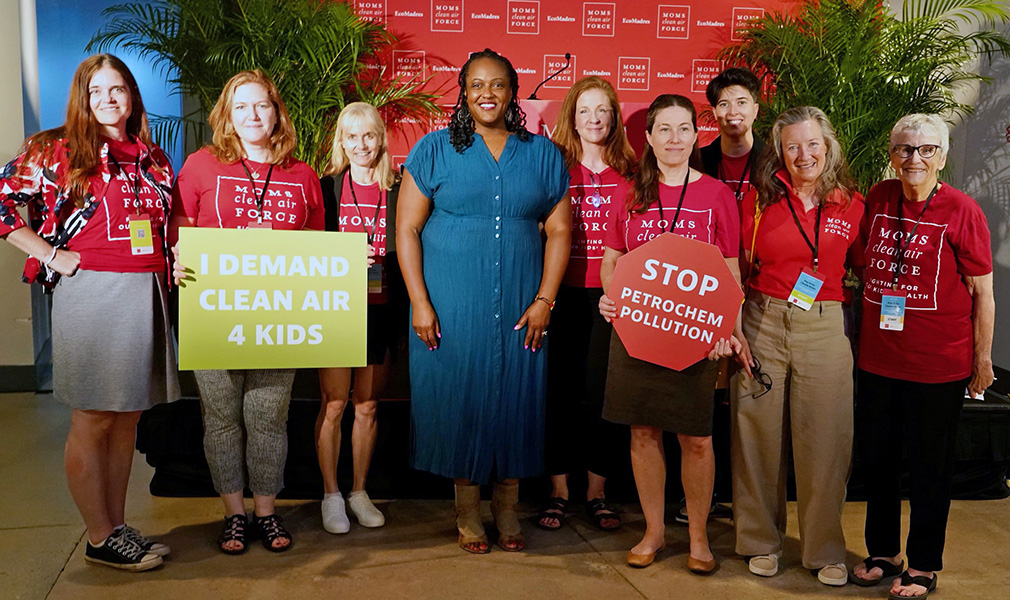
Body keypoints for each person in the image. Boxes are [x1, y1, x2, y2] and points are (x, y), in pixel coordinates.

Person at [0, 54, 178, 571]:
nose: (108, 99)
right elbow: (3, 202)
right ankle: (99, 535)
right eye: (96, 90)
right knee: (94, 418)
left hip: (148, 288)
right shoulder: (54, 148)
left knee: (127, 419)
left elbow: (165, 224)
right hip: (93, 290)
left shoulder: (152, 156)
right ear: (82, 96)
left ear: (132, 95)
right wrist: (51, 254)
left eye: (118, 89)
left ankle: (116, 527)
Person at [397, 48, 571, 554]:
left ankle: (508, 510)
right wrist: (420, 303)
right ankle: (467, 513)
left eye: (497, 85)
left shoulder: (541, 154)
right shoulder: (433, 150)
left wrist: (546, 300)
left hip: (523, 302)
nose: (487, 94)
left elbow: (559, 231)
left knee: (517, 400)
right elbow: (406, 229)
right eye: (476, 85)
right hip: (452, 301)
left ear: (513, 91)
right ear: (463, 92)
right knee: (460, 400)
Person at [169, 69, 325, 554]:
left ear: (276, 112)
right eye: (241, 107)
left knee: (267, 416)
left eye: (261, 105)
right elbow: (180, 226)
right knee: (220, 418)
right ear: (227, 116)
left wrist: (348, 262)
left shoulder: (303, 176)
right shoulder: (200, 165)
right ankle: (234, 515)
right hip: (213, 313)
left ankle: (266, 511)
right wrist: (178, 256)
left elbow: (317, 246)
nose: (252, 115)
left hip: (279, 317)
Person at [597, 94, 744, 574]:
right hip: (637, 333)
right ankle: (655, 531)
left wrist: (728, 330)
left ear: (696, 136)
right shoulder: (630, 194)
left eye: (684, 129)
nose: (674, 139)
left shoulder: (717, 196)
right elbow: (612, 261)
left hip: (698, 338)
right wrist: (609, 297)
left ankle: (699, 538)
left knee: (697, 439)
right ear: (649, 138)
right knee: (643, 433)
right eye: (664, 129)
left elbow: (730, 271)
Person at [849, 114, 994, 600]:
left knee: (931, 469)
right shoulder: (878, 197)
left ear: (943, 156)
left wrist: (983, 358)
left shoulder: (962, 210)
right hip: (876, 359)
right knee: (879, 462)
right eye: (905, 150)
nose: (915, 159)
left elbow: (983, 295)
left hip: (938, 365)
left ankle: (925, 564)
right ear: (892, 154)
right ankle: (884, 553)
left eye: (927, 150)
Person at [733, 106, 864, 586]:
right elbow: (736, 267)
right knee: (757, 437)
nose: (803, 154)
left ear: (827, 145)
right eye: (792, 146)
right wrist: (734, 326)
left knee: (825, 440)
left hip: (824, 326)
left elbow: (865, 267)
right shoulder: (757, 199)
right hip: (762, 320)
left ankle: (825, 549)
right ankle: (759, 542)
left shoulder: (852, 203)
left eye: (812, 144)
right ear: (780, 152)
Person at [538, 76, 635, 532]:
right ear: (571, 117)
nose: (594, 119)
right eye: (584, 110)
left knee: (603, 395)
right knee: (557, 393)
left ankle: (597, 492)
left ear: (614, 117)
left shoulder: (633, 172)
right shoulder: (551, 166)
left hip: (611, 300)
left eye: (603, 110)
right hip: (559, 293)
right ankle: (558, 491)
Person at [315, 101, 400, 534]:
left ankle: (359, 492)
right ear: (341, 143)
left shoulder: (400, 190)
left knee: (367, 406)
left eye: (369, 135)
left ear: (381, 138)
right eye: (352, 137)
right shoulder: (327, 187)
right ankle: (331, 496)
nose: (361, 145)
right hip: (335, 312)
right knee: (334, 405)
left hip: (381, 311)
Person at [702, 67, 764, 207]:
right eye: (724, 104)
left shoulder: (773, 162)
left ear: (755, 110)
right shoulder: (697, 162)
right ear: (714, 112)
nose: (733, 112)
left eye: (741, 103)